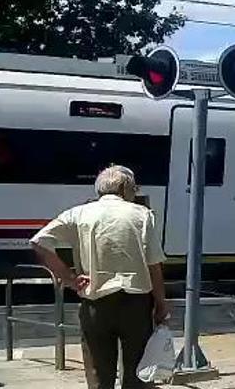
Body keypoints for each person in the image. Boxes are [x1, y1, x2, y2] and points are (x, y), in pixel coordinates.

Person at [30, 165, 169, 389]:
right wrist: (161, 303)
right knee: (137, 375)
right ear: (125, 188)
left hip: (95, 304)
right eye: (134, 188)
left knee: (98, 376)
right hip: (136, 305)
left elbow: (39, 241)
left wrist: (68, 278)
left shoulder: (78, 213)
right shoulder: (142, 215)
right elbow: (154, 265)